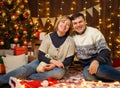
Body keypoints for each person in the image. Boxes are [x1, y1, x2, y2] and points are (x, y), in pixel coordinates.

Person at [0, 16, 75, 86]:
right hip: (42, 62)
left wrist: (54, 65)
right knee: (26, 68)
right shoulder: (48, 37)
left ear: (69, 28)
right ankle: (2, 80)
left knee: (59, 73)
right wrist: (53, 61)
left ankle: (30, 77)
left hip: (58, 67)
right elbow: (41, 55)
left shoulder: (70, 41)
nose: (64, 25)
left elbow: (68, 60)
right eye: (63, 22)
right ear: (58, 23)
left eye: (67, 24)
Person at [70, 12, 120, 82]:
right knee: (88, 76)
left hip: (101, 61)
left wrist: (96, 61)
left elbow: (105, 50)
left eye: (80, 22)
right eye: (75, 23)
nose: (78, 25)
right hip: (87, 66)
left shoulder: (94, 32)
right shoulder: (72, 37)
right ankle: (110, 77)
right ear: (72, 26)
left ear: (85, 22)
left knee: (99, 71)